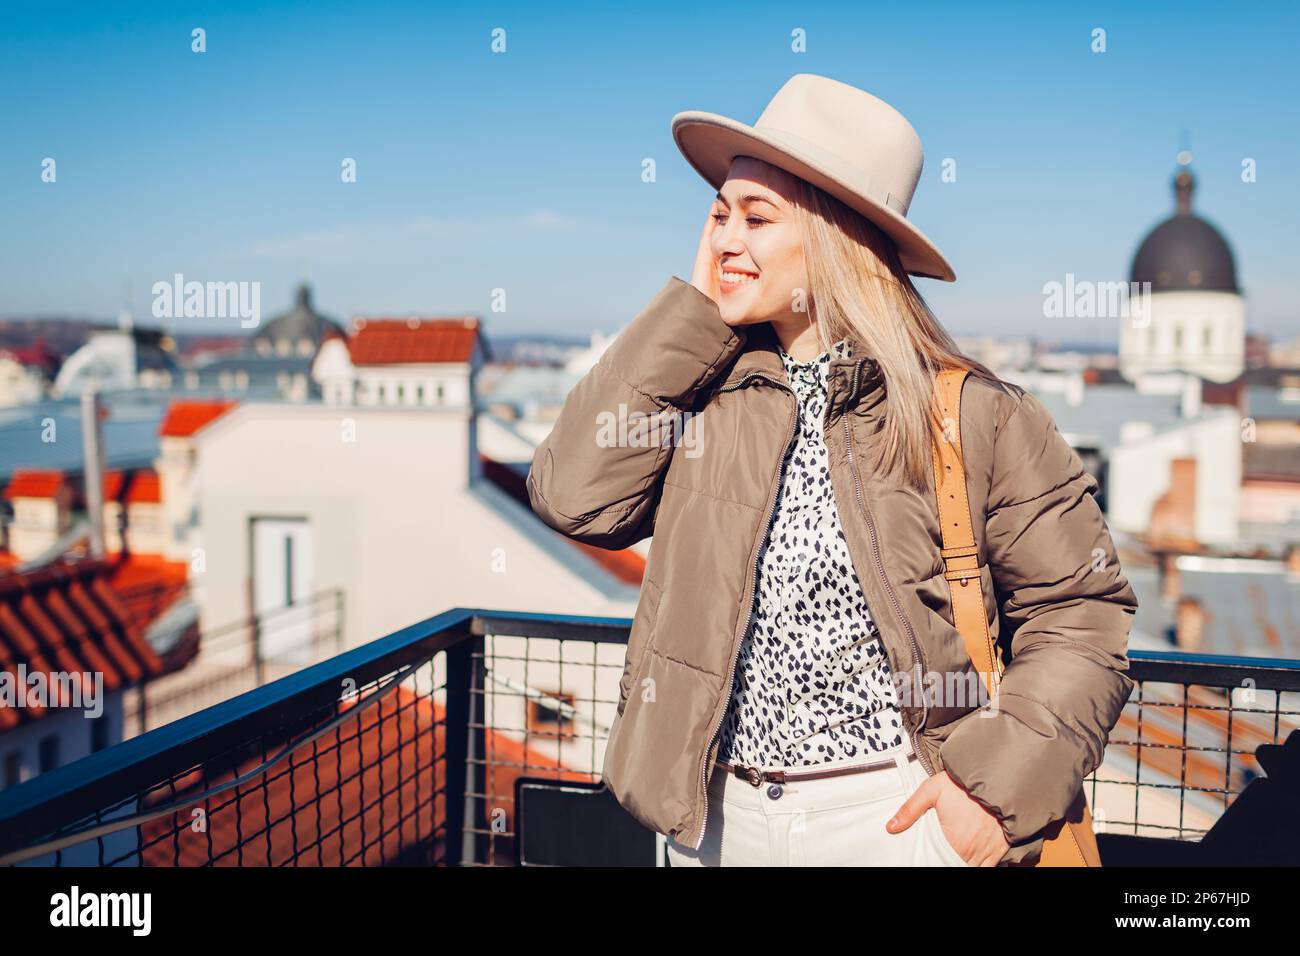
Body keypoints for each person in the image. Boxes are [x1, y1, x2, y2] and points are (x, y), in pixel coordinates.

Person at [526, 73, 1137, 867]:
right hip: (711, 825)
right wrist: (694, 311)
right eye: (718, 214)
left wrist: (991, 792)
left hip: (894, 819)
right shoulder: (701, 392)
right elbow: (573, 498)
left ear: (834, 238)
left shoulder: (976, 415)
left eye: (755, 218)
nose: (721, 239)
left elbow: (1082, 615)